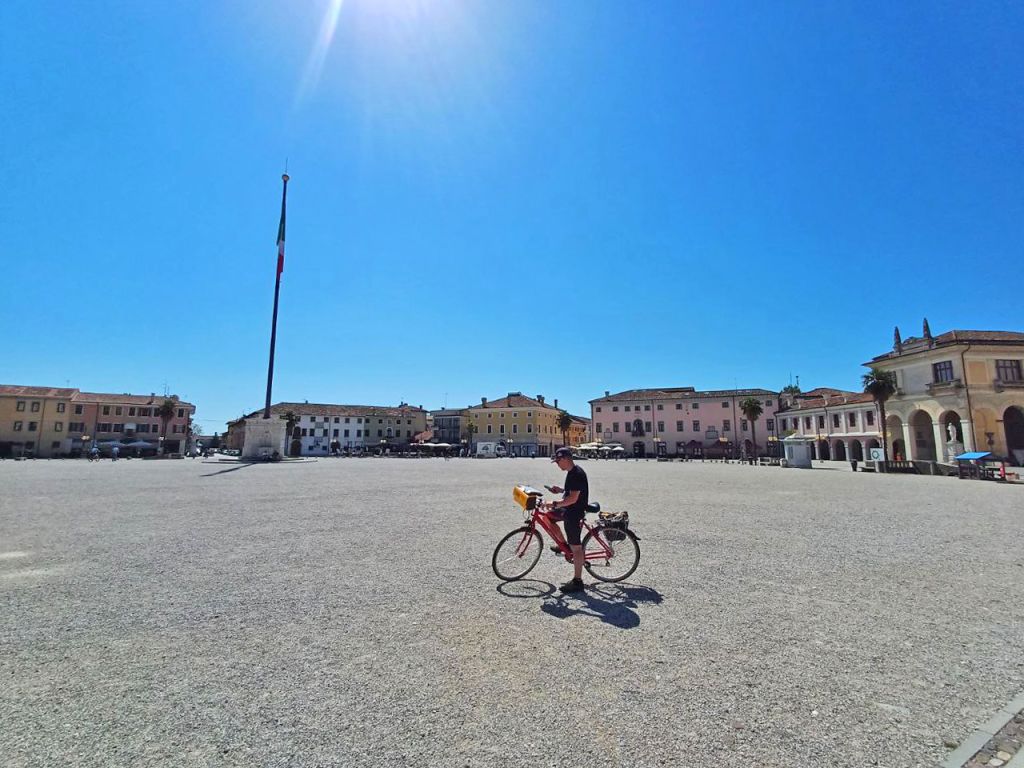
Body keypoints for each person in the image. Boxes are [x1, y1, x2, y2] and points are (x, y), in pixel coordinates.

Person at [543, 447, 589, 593]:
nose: (557, 464)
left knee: (576, 547)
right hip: (568, 509)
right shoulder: (572, 472)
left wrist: (554, 503)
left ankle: (577, 581)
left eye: (558, 461)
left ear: (565, 459)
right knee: (548, 517)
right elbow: (573, 491)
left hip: (574, 512)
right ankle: (564, 545)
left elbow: (573, 499)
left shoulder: (576, 474)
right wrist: (561, 490)